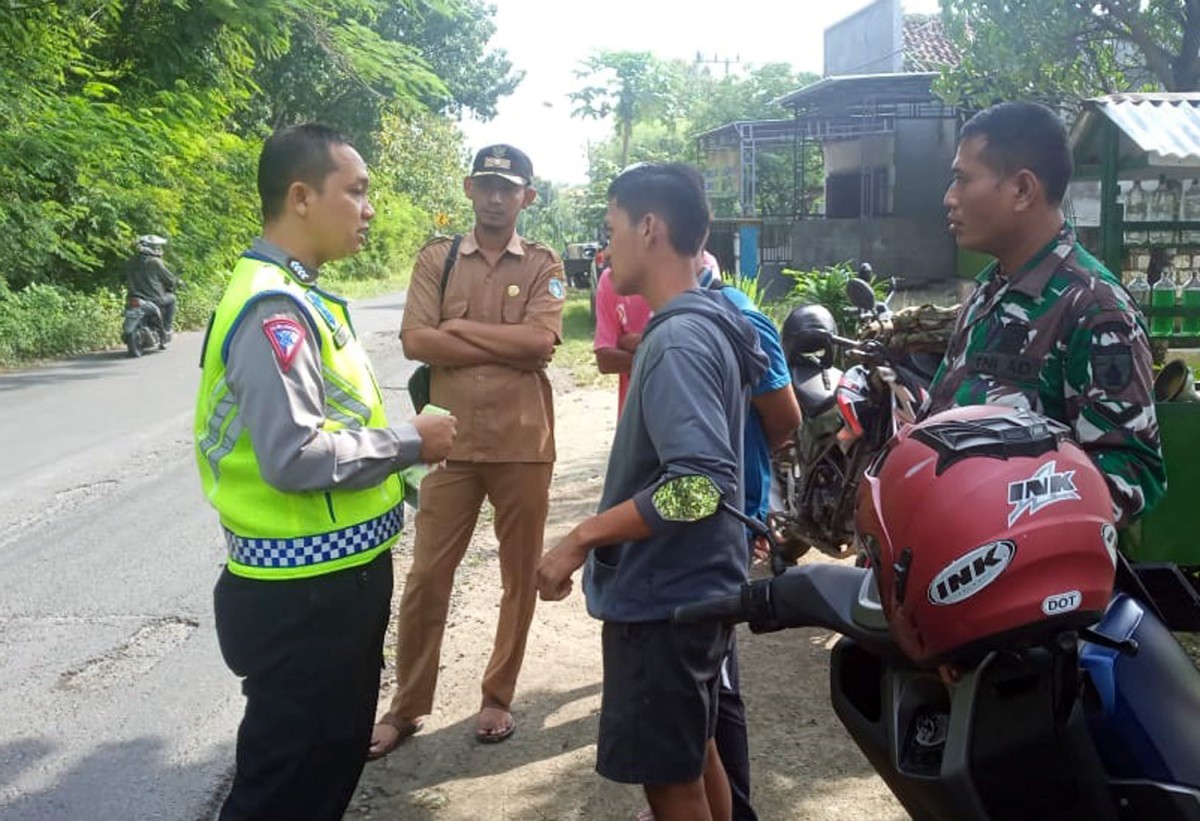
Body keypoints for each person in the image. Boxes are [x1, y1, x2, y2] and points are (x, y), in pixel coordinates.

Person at [193, 123, 458, 821]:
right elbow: (295, 456)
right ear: (303, 196)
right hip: (302, 594)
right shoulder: (273, 306)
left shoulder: (296, 293)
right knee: (285, 787)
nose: (369, 208)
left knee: (324, 768)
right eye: (358, 191)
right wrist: (410, 441)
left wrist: (404, 478)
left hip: (328, 583)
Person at [537, 162, 768, 821]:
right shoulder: (713, 321)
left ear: (649, 227)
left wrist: (583, 535)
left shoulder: (676, 339)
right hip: (701, 583)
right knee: (695, 754)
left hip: (668, 596)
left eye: (610, 229)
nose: (605, 249)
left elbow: (698, 487)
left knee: (672, 780)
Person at [370, 143, 566, 756]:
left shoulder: (543, 261)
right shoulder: (438, 259)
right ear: (468, 189)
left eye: (508, 187)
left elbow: (541, 343)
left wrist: (455, 332)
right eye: (486, 185)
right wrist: (501, 344)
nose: (496, 197)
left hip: (522, 442)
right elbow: (413, 342)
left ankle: (497, 697)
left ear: (527, 197)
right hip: (448, 441)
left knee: (517, 577)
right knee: (427, 574)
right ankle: (406, 708)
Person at [927, 101, 1165, 524]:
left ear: (1022, 189)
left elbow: (1133, 472)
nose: (949, 198)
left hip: (1027, 578)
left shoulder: (1094, 310)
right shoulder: (989, 292)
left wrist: (1011, 513)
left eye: (963, 180)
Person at [594, 249, 721, 416]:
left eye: (614, 231)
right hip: (636, 416)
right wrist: (664, 351)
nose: (608, 252)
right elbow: (605, 360)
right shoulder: (613, 278)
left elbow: (695, 352)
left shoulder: (702, 268)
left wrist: (631, 342)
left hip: (686, 412)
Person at [125, 234, 180, 342]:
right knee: (172, 298)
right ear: (153, 248)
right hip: (153, 299)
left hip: (133, 298)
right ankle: (167, 329)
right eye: (157, 247)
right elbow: (169, 279)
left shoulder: (130, 261)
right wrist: (176, 282)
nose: (159, 249)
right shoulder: (155, 262)